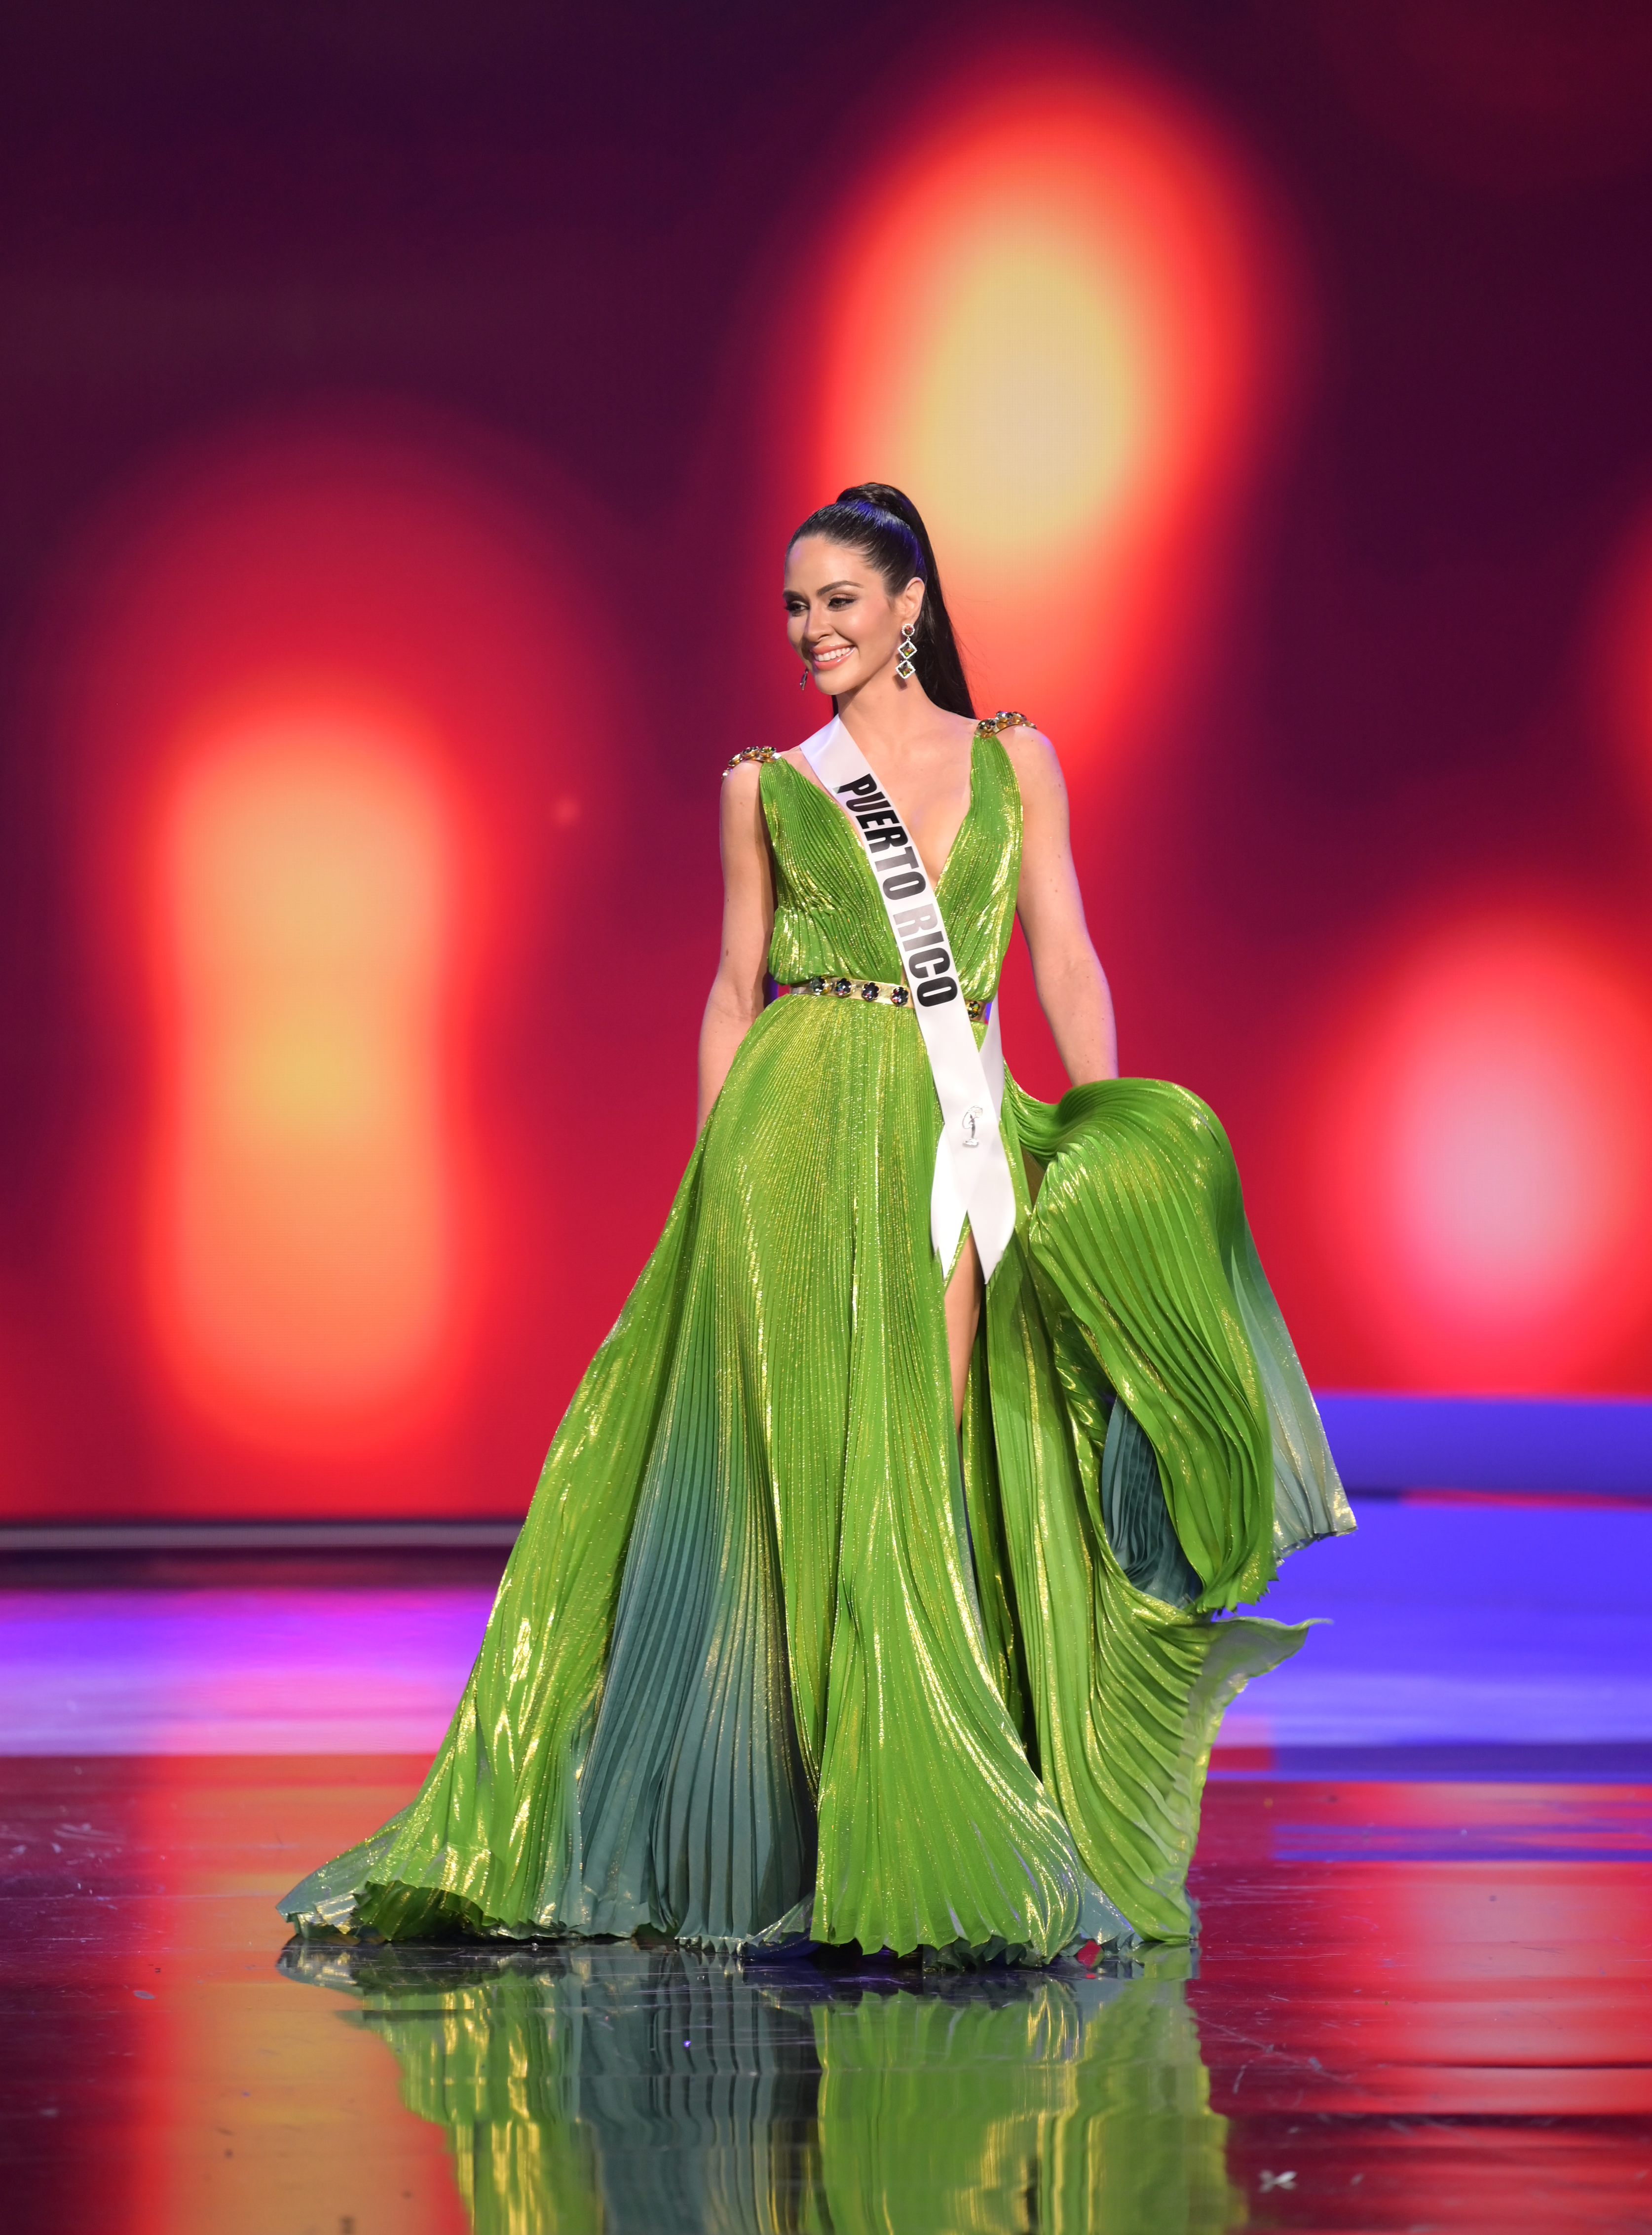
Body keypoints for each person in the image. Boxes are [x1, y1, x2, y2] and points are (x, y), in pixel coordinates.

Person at [279, 482, 1352, 1965]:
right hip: (793, 1130)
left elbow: (1064, 953)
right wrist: (716, 1168)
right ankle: (809, 1819)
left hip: (952, 1123)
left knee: (934, 1443)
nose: (812, 630)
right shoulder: (769, 785)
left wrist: (1100, 1130)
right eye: (794, 608)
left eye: (840, 601)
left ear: (911, 605)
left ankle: (942, 1792)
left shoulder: (1018, 759)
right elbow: (735, 991)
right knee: (814, 1459)